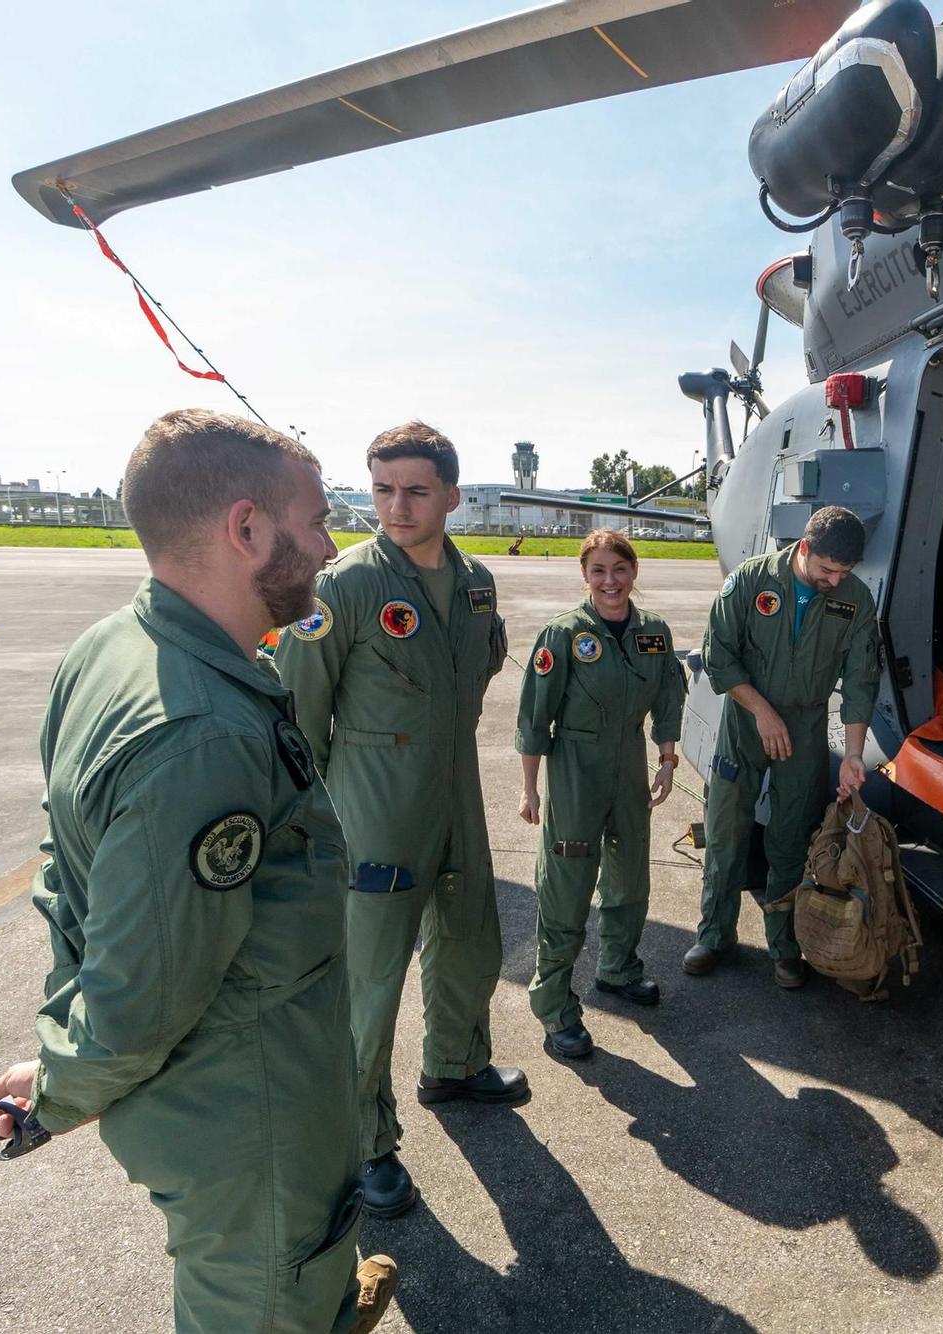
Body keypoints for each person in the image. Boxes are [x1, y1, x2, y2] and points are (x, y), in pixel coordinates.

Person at [0, 409, 396, 1333]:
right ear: (247, 530)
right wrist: (53, 1087)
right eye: (317, 520)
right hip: (250, 1120)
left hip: (233, 1100)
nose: (330, 544)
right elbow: (136, 1002)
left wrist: (54, 1056)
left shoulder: (117, 646)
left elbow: (76, 883)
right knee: (263, 1295)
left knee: (285, 1281)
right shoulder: (200, 731)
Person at [277, 420, 522, 1220]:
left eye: (416, 490)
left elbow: (477, 670)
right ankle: (364, 1143)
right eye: (383, 489)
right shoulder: (341, 588)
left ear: (452, 496)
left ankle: (453, 1065)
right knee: (370, 986)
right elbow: (300, 720)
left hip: (454, 795)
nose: (397, 506)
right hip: (374, 810)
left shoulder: (477, 582)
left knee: (469, 942)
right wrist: (313, 827)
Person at [690, 506, 881, 989]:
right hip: (746, 716)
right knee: (727, 827)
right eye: (826, 570)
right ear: (804, 549)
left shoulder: (855, 601)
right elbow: (719, 656)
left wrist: (855, 753)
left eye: (844, 572)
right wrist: (761, 711)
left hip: (807, 724)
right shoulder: (750, 582)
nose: (834, 581)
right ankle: (714, 935)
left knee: (792, 835)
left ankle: (785, 944)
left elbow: (861, 679)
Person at [515, 529, 687, 1059]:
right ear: (584, 576)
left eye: (619, 569)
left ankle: (618, 968)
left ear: (634, 572)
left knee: (631, 874)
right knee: (567, 883)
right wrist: (530, 790)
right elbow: (534, 719)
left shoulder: (653, 632)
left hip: (629, 767)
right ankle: (554, 1006)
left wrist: (666, 759)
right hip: (575, 768)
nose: (610, 581)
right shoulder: (563, 635)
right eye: (598, 571)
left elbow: (668, 697)